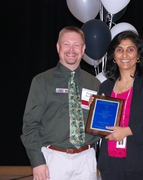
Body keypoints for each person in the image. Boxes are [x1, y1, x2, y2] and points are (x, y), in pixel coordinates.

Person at [21, 26, 101, 180]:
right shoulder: (42, 81)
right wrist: (37, 161)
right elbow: (30, 125)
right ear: (58, 47)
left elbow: (100, 126)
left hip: (86, 159)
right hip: (53, 160)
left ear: (83, 49)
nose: (71, 49)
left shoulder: (94, 83)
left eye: (76, 45)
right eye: (66, 44)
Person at [94, 30, 143, 180]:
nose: (124, 55)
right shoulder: (106, 87)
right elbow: (101, 126)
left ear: (139, 56)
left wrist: (127, 131)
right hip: (111, 164)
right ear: (113, 56)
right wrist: (94, 109)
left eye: (130, 49)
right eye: (119, 50)